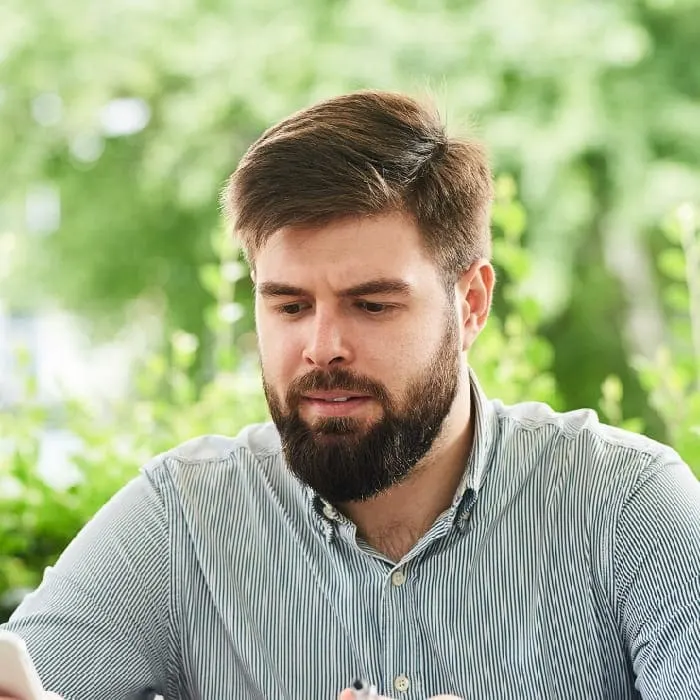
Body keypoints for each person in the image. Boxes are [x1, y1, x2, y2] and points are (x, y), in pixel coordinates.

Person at [1, 90, 699, 700]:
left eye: (371, 305)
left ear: (473, 303)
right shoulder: (184, 518)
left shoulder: (628, 507)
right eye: (290, 306)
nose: (322, 347)